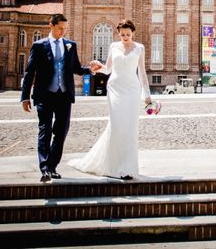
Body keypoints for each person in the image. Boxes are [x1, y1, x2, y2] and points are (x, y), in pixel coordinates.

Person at [69, 19, 152, 179]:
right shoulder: (114, 46)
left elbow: (141, 72)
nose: (125, 37)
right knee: (116, 125)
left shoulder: (139, 48)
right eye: (122, 35)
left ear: (133, 33)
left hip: (132, 90)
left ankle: (128, 167)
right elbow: (108, 70)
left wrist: (146, 95)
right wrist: (98, 66)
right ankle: (113, 166)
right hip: (115, 88)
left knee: (130, 128)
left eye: (128, 34)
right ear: (118, 34)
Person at [21, 13, 92, 183]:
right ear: (51, 25)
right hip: (44, 95)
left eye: (65, 29)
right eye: (60, 28)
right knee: (45, 130)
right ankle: (44, 168)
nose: (63, 32)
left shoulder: (70, 45)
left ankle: (52, 166)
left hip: (64, 95)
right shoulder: (39, 46)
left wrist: (91, 69)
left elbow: (76, 68)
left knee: (61, 132)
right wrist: (25, 97)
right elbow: (30, 72)